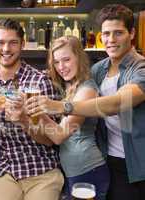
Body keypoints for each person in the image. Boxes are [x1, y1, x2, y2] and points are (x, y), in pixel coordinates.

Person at [25, 4, 145, 200]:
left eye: (118, 33)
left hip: (135, 161)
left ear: (131, 33)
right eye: (106, 34)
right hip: (107, 156)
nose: (111, 40)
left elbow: (117, 103)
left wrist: (59, 106)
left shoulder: (141, 69)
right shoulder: (99, 69)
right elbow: (74, 79)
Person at [0, 18, 64, 200]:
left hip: (40, 169)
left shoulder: (40, 82)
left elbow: (51, 140)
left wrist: (24, 121)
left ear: (22, 45)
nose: (6, 49)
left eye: (13, 43)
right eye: (0, 42)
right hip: (5, 169)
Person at [26, 36, 109, 200]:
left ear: (79, 57)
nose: (61, 67)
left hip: (88, 170)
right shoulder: (70, 85)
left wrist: (39, 111)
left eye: (66, 60)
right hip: (73, 171)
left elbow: (59, 136)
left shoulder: (87, 90)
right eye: (56, 62)